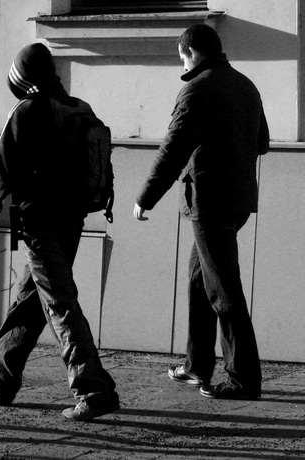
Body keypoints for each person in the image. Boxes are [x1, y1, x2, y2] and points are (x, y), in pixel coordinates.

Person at [0, 43, 120, 421]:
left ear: (21, 79)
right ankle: (0, 381)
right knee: (31, 300)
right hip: (73, 219)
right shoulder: (80, 109)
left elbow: (2, 176)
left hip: (39, 223)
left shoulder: (27, 111)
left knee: (59, 303)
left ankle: (93, 388)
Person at [134, 24, 268, 400]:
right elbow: (263, 142)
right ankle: (196, 365)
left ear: (191, 51)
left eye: (181, 57)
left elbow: (174, 147)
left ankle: (243, 379)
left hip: (209, 201)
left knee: (223, 290)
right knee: (199, 281)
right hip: (240, 199)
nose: (182, 64)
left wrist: (145, 196)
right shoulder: (246, 85)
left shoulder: (196, 89)